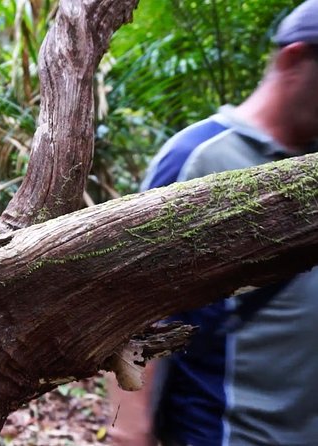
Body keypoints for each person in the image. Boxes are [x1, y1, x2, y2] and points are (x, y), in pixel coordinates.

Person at [112, 2, 318, 444]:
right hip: (221, 431)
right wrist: (131, 431)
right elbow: (134, 304)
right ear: (295, 61)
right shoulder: (201, 157)